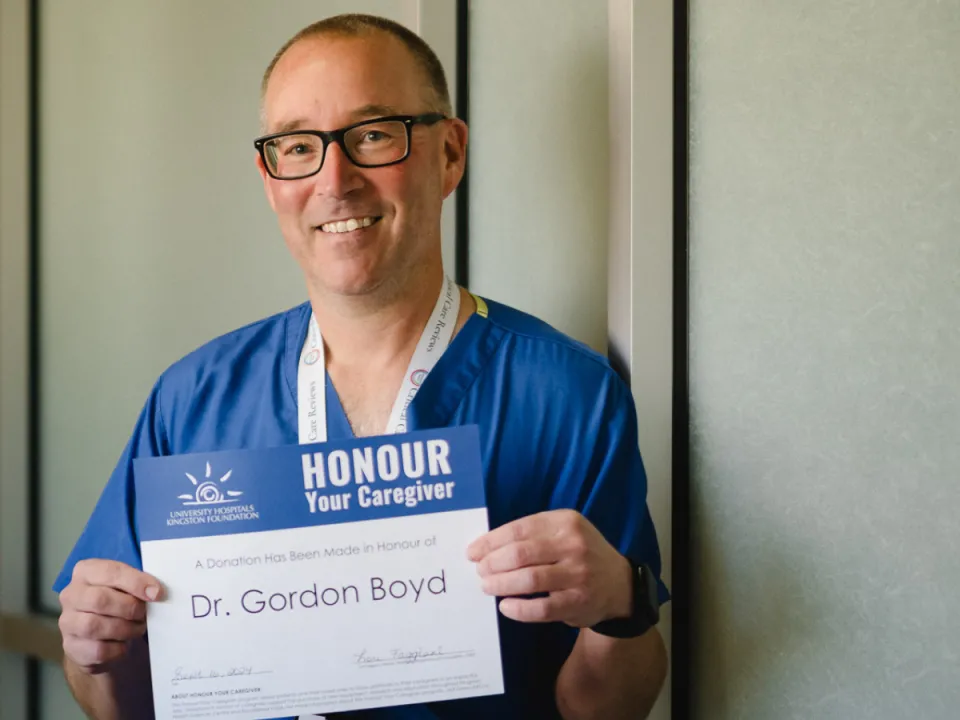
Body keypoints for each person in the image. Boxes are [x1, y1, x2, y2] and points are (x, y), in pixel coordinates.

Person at [53, 13, 669, 720]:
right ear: (269, 174)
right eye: (297, 145)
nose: (334, 179)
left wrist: (622, 604)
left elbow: (606, 711)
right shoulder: (192, 399)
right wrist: (92, 651)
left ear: (450, 154)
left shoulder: (567, 396)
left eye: (373, 135)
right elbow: (119, 706)